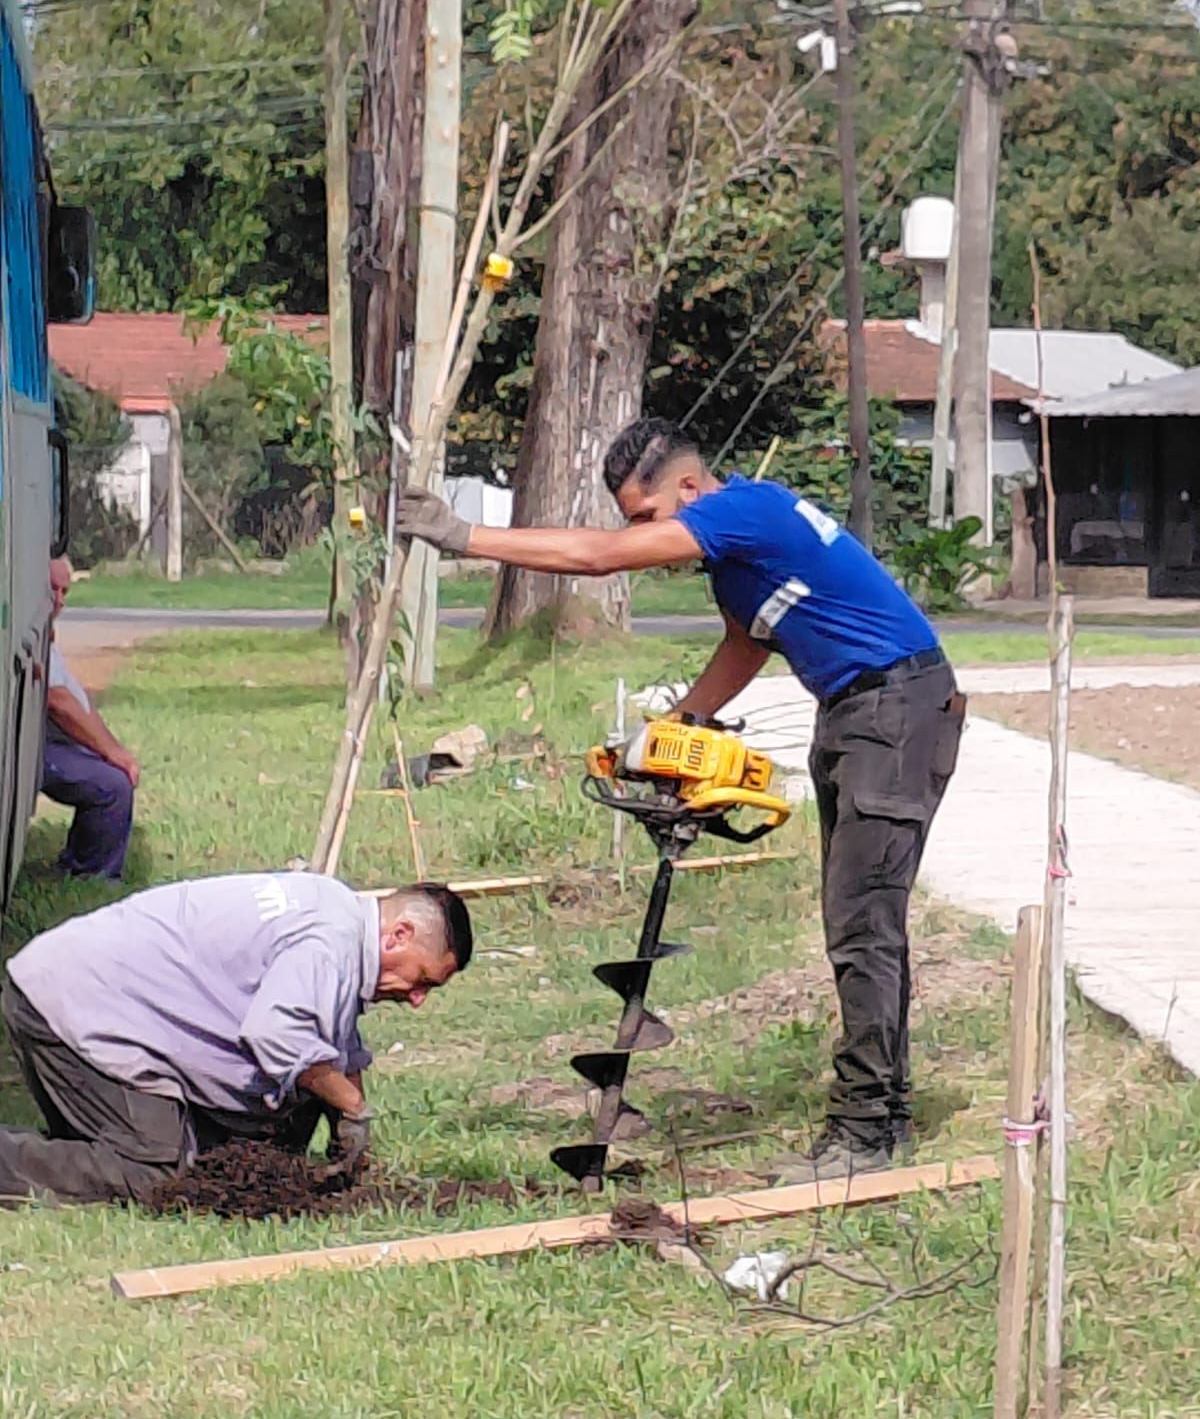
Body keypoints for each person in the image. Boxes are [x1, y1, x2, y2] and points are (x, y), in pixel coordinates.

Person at [396, 416, 964, 1182]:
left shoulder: (743, 512)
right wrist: (676, 727)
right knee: (859, 922)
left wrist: (463, 537)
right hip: (858, 712)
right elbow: (745, 646)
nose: (640, 535)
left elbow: (598, 558)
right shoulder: (735, 560)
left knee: (863, 923)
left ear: (690, 487)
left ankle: (866, 1132)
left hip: (895, 711)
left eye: (647, 515)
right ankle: (879, 1112)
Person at [0, 871, 472, 1204]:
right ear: (398, 935)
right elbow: (279, 1035)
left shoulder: (339, 915)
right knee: (154, 1172)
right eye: (423, 981)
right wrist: (353, 1108)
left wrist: (348, 1122)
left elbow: (337, 1044)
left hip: (105, 1003)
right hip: (78, 1005)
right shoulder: (328, 943)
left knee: (297, 1096)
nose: (417, 1000)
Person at [41, 557, 139, 880]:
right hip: (40, 748)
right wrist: (113, 753)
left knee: (110, 770)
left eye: (64, 592)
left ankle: (77, 862)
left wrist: (111, 747)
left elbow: (75, 703)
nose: (58, 600)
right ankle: (93, 877)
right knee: (113, 785)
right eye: (50, 589)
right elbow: (58, 702)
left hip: (53, 742)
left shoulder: (45, 636)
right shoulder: (36, 636)